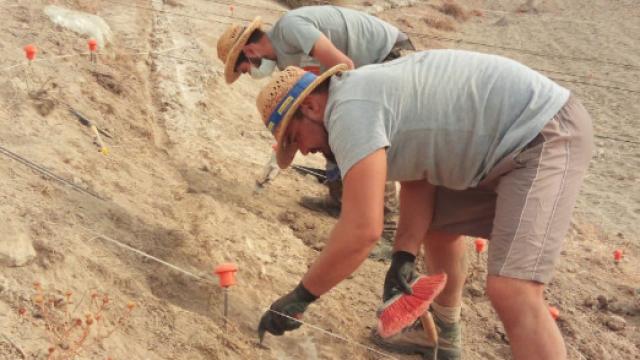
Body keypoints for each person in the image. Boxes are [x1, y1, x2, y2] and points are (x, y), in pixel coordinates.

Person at [253, 49, 593, 360]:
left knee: (513, 288)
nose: (305, 152)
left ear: (311, 107)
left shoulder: (347, 111)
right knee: (440, 229)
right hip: (501, 147)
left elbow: (362, 230)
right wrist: (403, 254)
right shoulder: (364, 97)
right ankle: (445, 337)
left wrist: (300, 297)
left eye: (295, 139)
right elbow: (419, 176)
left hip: (541, 134)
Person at [217, 5, 413, 235]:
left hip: (384, 55)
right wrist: (284, 146)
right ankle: (338, 197)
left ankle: (388, 225)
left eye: (244, 70)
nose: (250, 74)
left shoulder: (290, 28)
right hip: (360, 68)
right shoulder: (285, 64)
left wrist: (350, 121)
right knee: (327, 124)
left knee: (366, 134)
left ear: (250, 51)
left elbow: (346, 68)